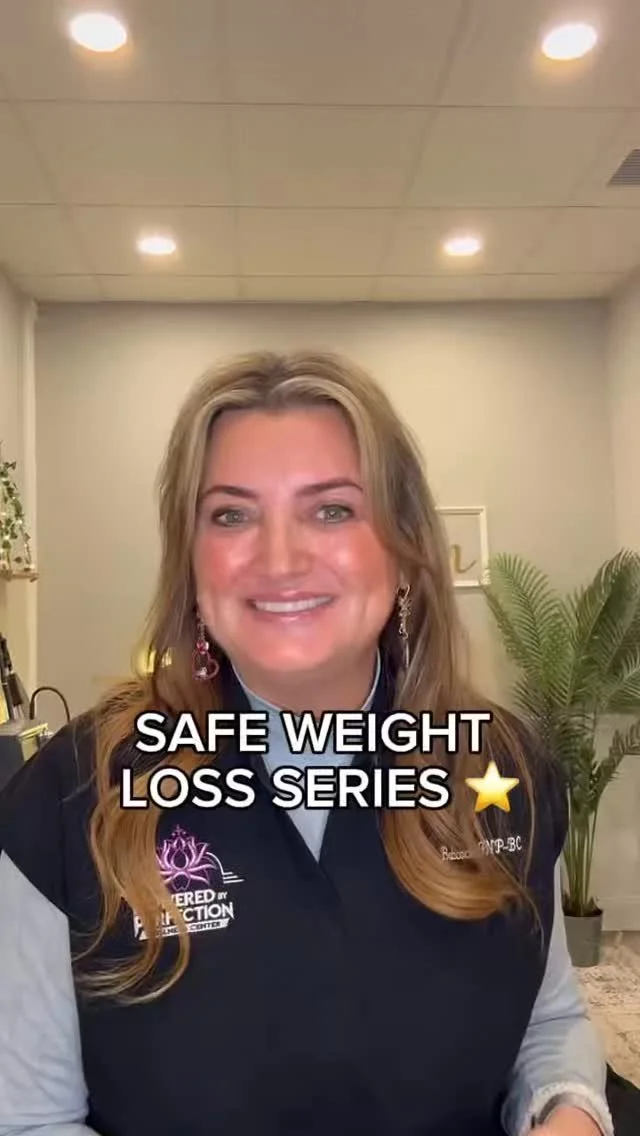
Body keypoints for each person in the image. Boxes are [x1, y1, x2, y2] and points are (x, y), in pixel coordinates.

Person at [0, 350, 613, 1136]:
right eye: (231, 515)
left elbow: (548, 1021)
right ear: (190, 561)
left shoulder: (502, 769)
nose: (281, 559)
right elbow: (28, 1117)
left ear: (405, 548)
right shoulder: (70, 794)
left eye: (332, 510)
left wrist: (568, 1108)